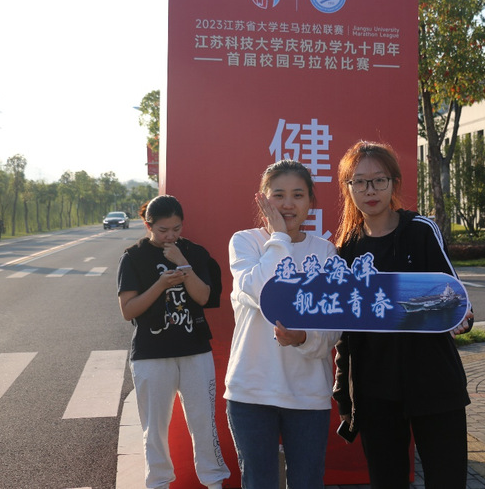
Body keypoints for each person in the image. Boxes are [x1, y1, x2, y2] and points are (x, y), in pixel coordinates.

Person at [332, 141, 474, 489]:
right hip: (375, 390)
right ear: (348, 188)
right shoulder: (346, 249)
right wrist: (345, 392)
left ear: (394, 183)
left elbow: (453, 296)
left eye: (379, 180)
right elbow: (344, 330)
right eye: (359, 181)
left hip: (433, 382)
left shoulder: (420, 231)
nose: (370, 190)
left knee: (447, 480)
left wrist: (462, 317)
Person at [225, 160, 340, 489]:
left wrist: (304, 338)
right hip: (251, 392)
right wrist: (278, 237)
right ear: (262, 199)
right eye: (278, 195)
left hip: (308, 395)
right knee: (258, 482)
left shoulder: (325, 252)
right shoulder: (245, 242)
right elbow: (262, 291)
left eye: (298, 195)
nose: (288, 204)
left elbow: (333, 327)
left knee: (307, 482)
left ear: (310, 202)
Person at [117, 195, 229, 489]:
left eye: (176, 229)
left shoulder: (193, 252)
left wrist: (183, 264)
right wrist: (161, 284)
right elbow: (128, 310)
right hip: (151, 353)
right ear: (148, 225)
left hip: (195, 350)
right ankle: (158, 483)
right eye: (163, 230)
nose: (170, 236)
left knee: (203, 422)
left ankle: (214, 482)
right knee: (154, 428)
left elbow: (203, 297)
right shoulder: (133, 257)